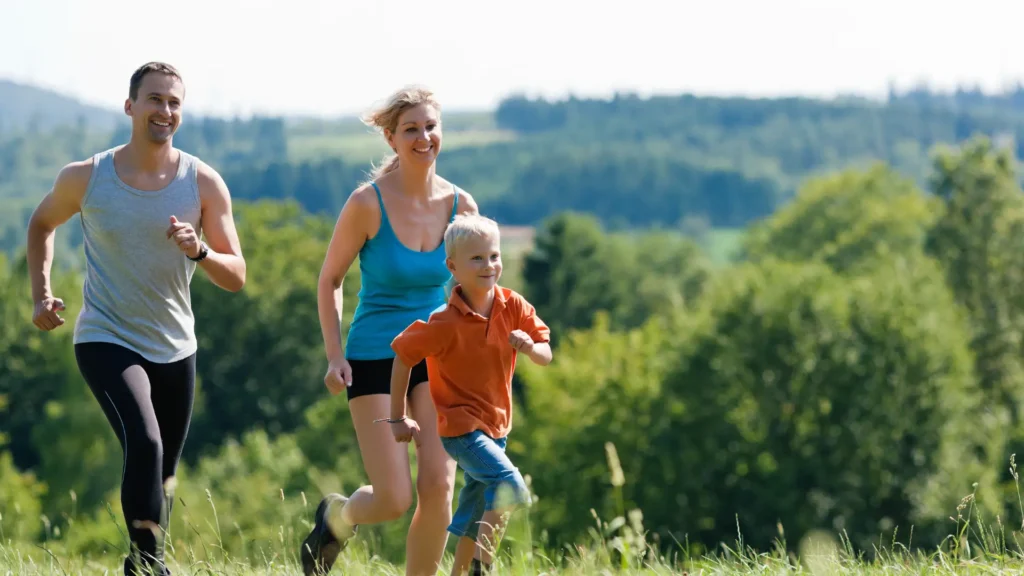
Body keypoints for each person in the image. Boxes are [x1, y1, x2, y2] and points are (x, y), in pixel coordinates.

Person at [26, 61, 246, 576]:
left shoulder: (203, 182)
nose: (164, 111)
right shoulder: (87, 176)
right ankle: (150, 568)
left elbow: (236, 274)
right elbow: (41, 224)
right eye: (154, 99)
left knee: (163, 471)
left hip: (176, 346)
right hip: (106, 337)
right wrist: (41, 295)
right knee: (144, 441)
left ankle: (142, 563)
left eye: (174, 102)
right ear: (131, 106)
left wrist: (200, 252)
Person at [300, 86, 480, 576]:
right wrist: (335, 356)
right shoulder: (368, 203)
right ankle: (338, 516)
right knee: (395, 499)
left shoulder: (461, 206)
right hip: (376, 357)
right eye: (411, 129)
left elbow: (473, 285)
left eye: (430, 127)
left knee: (440, 487)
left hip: (437, 357)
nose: (424, 137)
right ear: (391, 137)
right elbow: (330, 280)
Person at [388, 214, 552, 576]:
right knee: (510, 486)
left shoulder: (514, 306)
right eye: (476, 258)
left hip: (497, 427)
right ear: (452, 266)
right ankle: (483, 566)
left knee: (475, 514)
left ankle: (462, 571)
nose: (488, 265)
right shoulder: (443, 322)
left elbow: (545, 352)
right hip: (460, 430)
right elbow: (402, 356)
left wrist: (529, 347)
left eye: (494, 256)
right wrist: (398, 416)